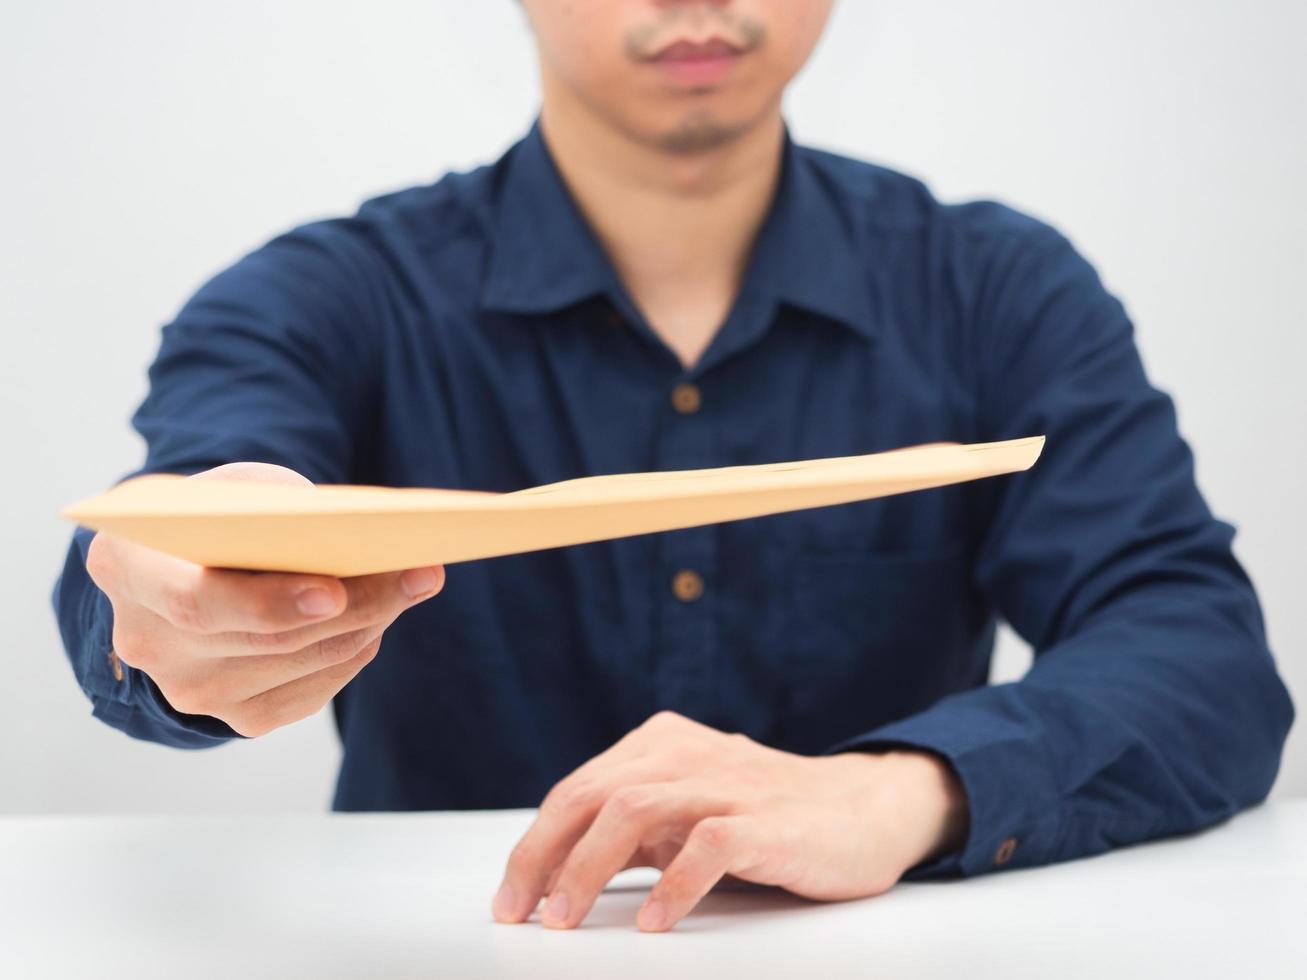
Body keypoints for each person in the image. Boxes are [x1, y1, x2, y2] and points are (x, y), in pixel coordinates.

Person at [52, 0, 1293, 933]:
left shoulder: (992, 288)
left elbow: (1198, 651)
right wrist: (183, 592)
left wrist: (898, 790)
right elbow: (180, 518)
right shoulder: (333, 295)